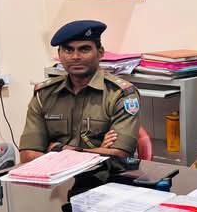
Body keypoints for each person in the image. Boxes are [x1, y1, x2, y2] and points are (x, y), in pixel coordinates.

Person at [19, 20, 140, 163]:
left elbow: (118, 155)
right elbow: (27, 155)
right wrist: (98, 152)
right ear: (59, 54)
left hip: (101, 175)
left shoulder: (120, 94)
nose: (75, 56)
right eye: (68, 50)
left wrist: (59, 149)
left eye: (84, 49)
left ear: (100, 53)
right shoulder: (44, 94)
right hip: (52, 175)